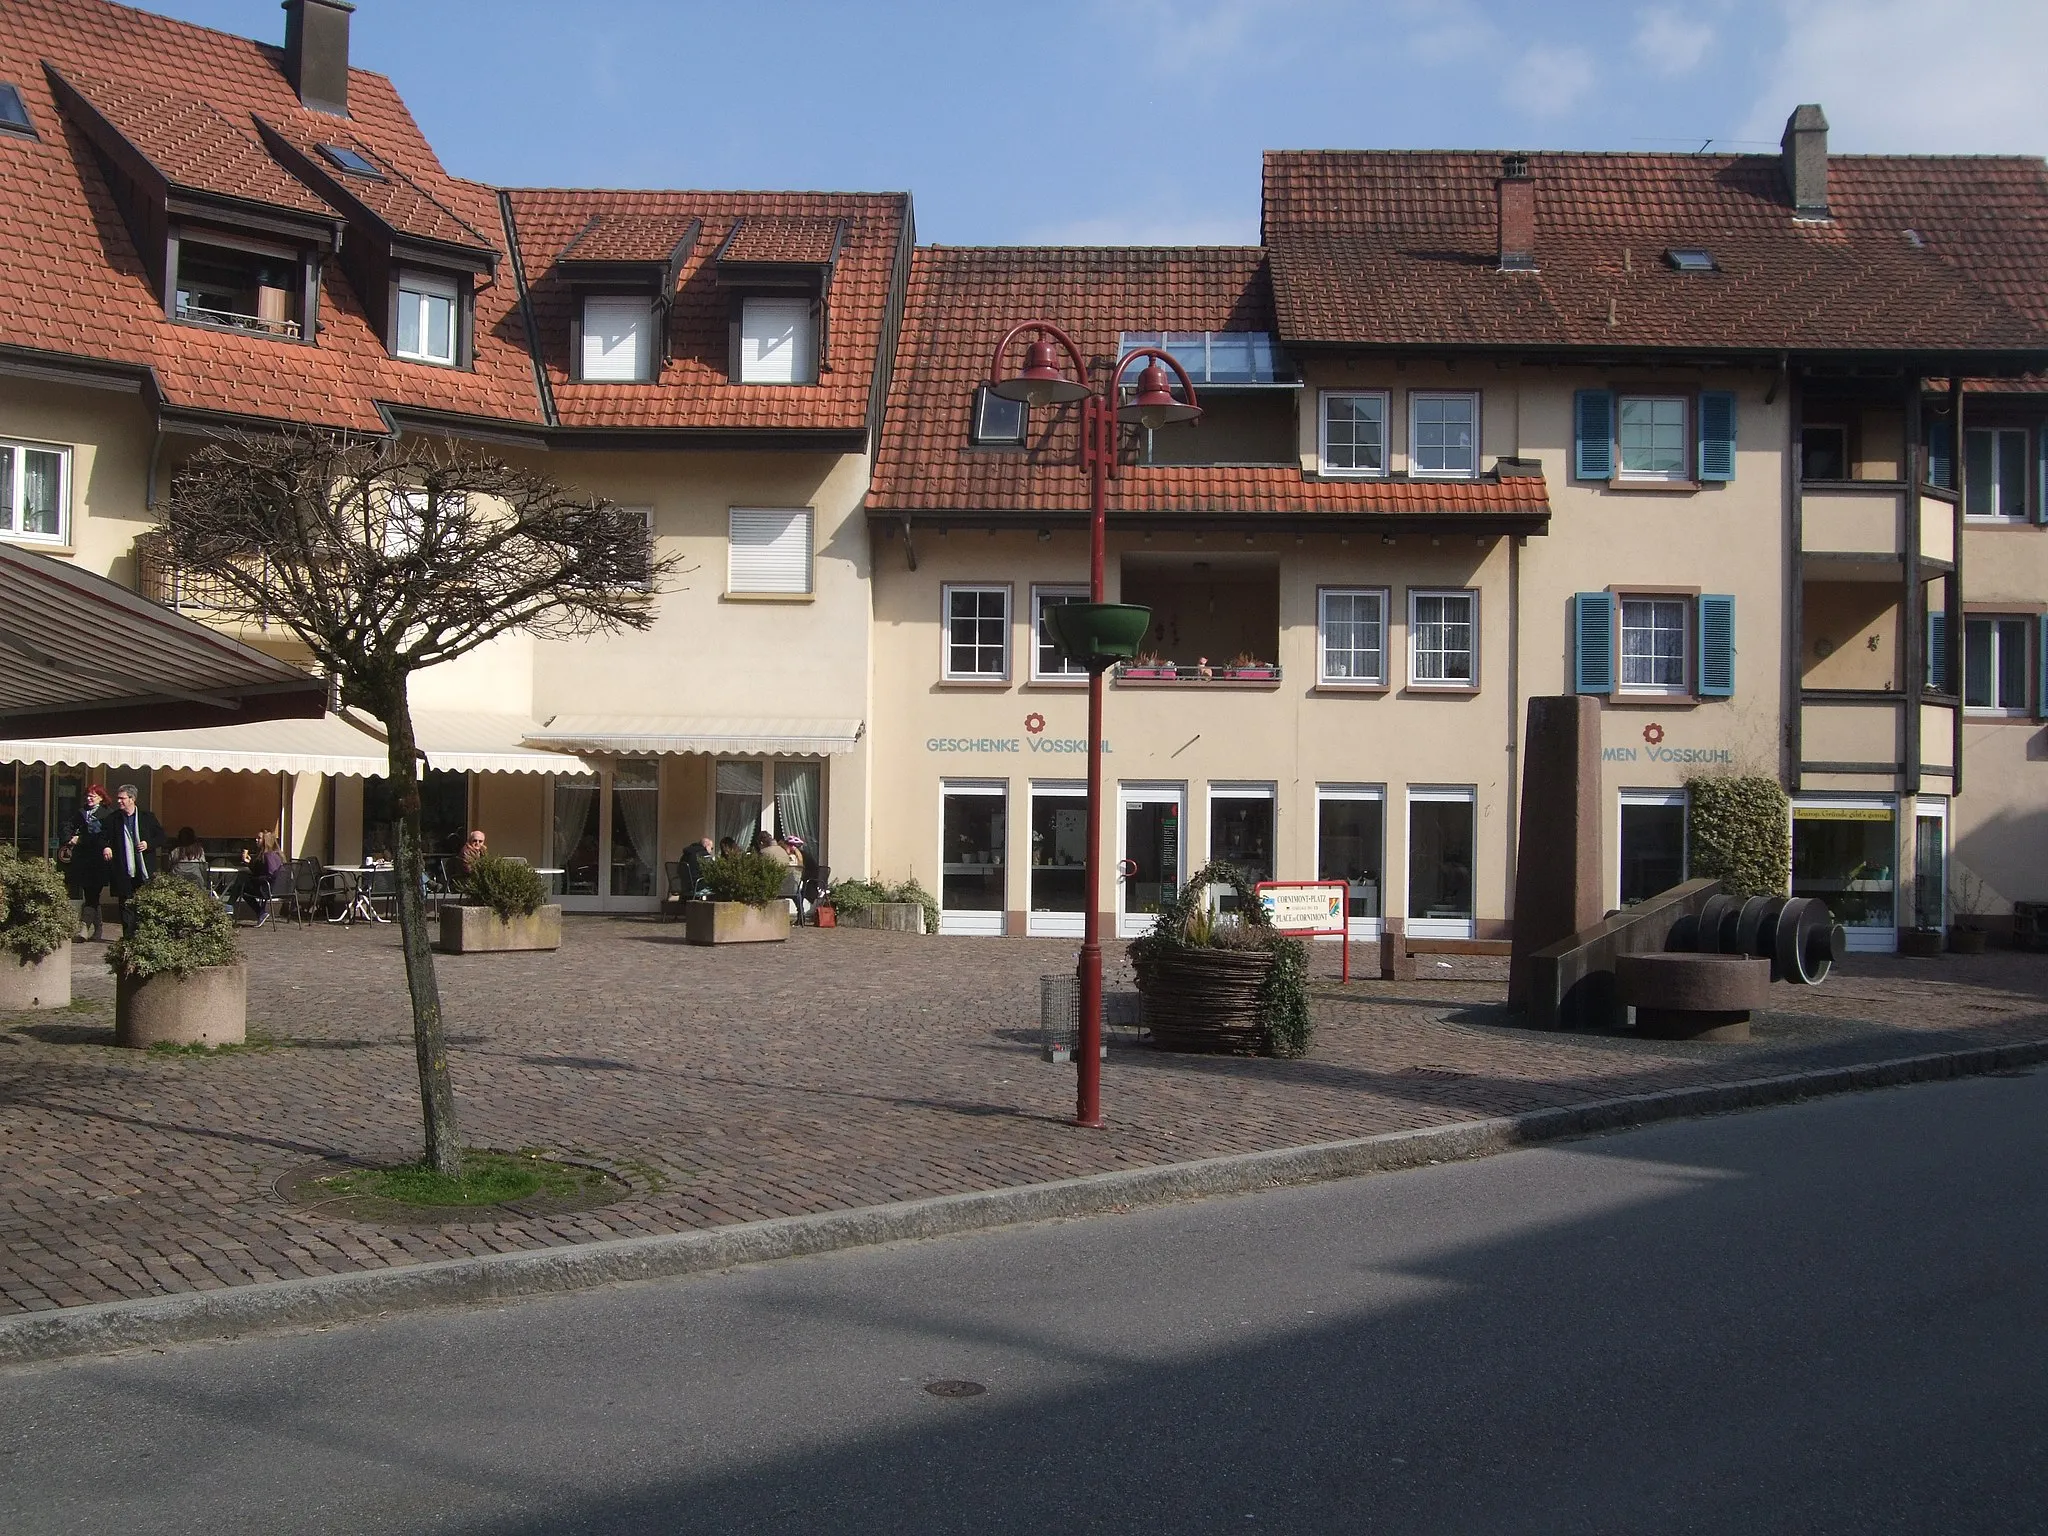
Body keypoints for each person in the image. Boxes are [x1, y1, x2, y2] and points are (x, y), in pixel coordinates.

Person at [102, 784, 166, 938]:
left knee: (143, 904)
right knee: (125, 905)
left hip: (143, 869)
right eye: (118, 798)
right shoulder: (113, 819)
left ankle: (142, 935)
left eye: (122, 798)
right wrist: (106, 847)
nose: (119, 801)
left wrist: (148, 844)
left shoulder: (147, 817)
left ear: (132, 799)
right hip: (123, 869)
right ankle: (128, 937)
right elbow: (103, 837)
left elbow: (162, 837)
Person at [62, 783, 111, 942]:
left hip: (98, 860)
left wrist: (80, 839)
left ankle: (83, 928)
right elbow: (68, 826)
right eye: (88, 795)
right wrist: (69, 838)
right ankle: (98, 929)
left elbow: (100, 836)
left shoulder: (107, 814)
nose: (89, 798)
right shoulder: (81, 812)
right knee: (90, 895)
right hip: (82, 860)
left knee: (92, 894)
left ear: (101, 798)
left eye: (93, 796)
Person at [236, 830, 284, 926]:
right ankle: (260, 913)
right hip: (278, 888)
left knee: (240, 884)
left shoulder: (268, 855)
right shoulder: (276, 854)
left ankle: (259, 912)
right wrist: (249, 863)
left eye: (259, 838)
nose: (256, 840)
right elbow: (259, 871)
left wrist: (257, 879)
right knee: (242, 881)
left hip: (267, 889)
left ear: (265, 840)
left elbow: (271, 874)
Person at [679, 835, 714, 900]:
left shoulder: (685, 855)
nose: (711, 851)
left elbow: (679, 870)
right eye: (711, 848)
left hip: (685, 886)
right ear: (706, 846)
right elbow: (712, 871)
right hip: (698, 885)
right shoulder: (704, 855)